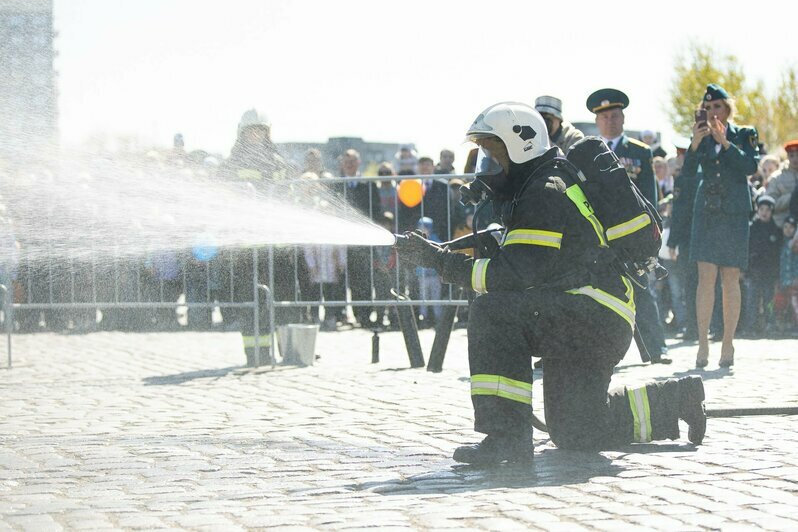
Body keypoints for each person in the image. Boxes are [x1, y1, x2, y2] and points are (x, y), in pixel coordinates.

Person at [395, 101, 706, 464]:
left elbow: (509, 276)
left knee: (493, 311)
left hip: (590, 313)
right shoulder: (545, 183)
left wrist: (437, 261)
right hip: (593, 316)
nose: (486, 167)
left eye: (492, 155)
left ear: (520, 147)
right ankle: (679, 398)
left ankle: (507, 437)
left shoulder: (543, 190)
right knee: (577, 432)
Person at [587, 88, 669, 364]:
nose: (610, 121)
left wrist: (650, 234)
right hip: (598, 233)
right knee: (595, 293)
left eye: (614, 115)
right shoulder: (588, 152)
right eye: (604, 117)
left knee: (642, 290)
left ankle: (656, 349)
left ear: (623, 118)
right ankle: (599, 353)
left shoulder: (639, 152)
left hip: (632, 233)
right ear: (597, 122)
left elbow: (649, 197)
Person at [683, 83, 760, 369]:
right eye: (708, 108)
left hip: (734, 213)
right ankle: (702, 342)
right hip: (707, 212)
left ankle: (728, 342)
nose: (713, 112)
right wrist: (695, 143)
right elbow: (688, 175)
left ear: (728, 108)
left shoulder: (744, 133)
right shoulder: (699, 137)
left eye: (717, 107)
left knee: (730, 278)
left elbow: (750, 167)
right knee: (706, 277)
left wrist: (726, 143)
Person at [741, 195, 781, 337]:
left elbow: (777, 254)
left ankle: (770, 324)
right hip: (753, 271)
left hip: (769, 272)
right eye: (761, 209)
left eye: (767, 210)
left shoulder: (776, 230)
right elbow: (746, 250)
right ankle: (750, 326)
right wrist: (744, 269)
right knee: (752, 299)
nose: (764, 212)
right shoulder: (752, 228)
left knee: (769, 300)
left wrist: (777, 274)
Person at [774, 216, 798, 335]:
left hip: (794, 281)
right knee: (782, 303)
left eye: (791, 227)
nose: (788, 230)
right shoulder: (780, 243)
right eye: (786, 227)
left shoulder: (795, 245)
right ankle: (782, 325)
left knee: (795, 304)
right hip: (783, 280)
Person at [766, 140, 798, 227]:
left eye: (797, 155)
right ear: (787, 156)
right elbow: (769, 204)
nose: (795, 159)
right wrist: (792, 197)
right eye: (792, 155)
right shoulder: (776, 178)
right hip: (783, 226)